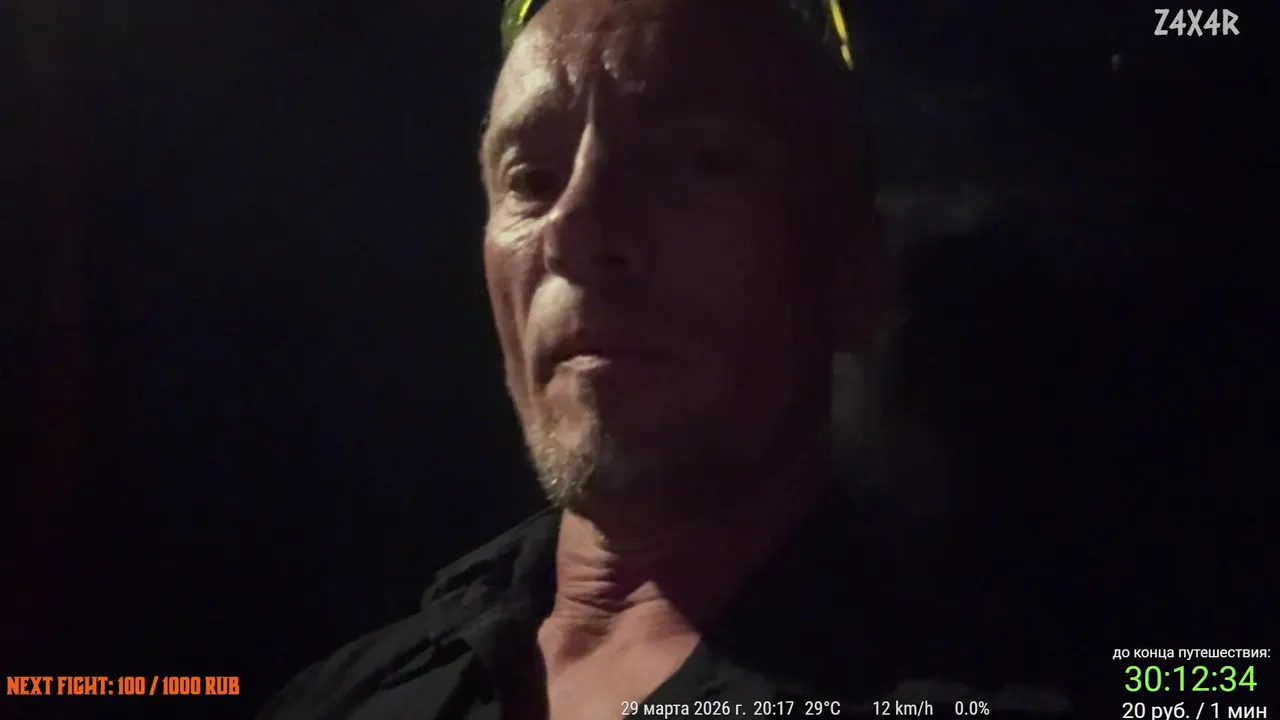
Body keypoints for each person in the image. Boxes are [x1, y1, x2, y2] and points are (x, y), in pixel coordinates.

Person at [260, 0, 1078, 717]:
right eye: (533, 178)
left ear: (854, 273)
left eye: (697, 162)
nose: (576, 229)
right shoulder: (340, 698)